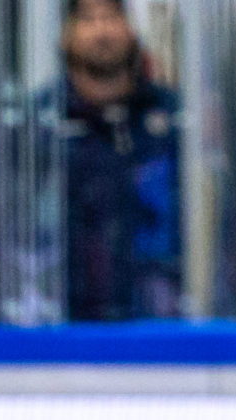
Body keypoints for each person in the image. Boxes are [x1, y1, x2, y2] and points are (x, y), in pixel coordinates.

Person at [57, 0, 183, 322]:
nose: (101, 30)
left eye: (111, 17)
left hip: (161, 320)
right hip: (67, 322)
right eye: (87, 19)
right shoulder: (39, 124)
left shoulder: (176, 118)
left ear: (131, 28)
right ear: (65, 34)